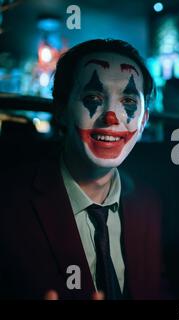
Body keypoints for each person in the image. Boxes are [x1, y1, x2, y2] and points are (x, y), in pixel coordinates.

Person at [0, 39, 163, 300]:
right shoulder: (8, 204)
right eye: (93, 97)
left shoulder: (148, 203)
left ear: (143, 120)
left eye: (129, 101)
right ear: (61, 110)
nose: (111, 117)